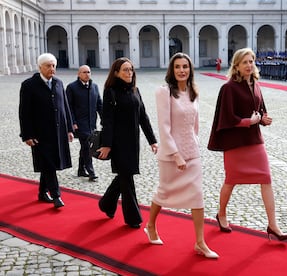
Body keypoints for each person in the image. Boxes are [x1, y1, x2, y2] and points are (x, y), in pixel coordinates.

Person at [207, 48, 287, 242]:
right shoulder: (228, 87)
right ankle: (221, 213)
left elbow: (259, 110)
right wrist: (248, 122)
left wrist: (263, 120)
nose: (249, 65)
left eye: (251, 61)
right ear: (236, 65)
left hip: (254, 140)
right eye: (244, 62)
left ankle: (273, 224)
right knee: (231, 180)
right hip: (235, 142)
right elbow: (226, 118)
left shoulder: (256, 84)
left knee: (266, 178)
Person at [144, 53, 219, 259]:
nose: (181, 70)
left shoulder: (194, 91)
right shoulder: (165, 92)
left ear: (190, 69)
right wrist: (176, 154)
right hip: (171, 154)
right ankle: (150, 225)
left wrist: (193, 144)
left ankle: (200, 242)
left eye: (185, 66)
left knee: (197, 194)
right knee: (164, 192)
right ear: (172, 69)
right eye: (177, 67)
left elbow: (195, 123)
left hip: (192, 152)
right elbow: (164, 127)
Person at [97, 57, 158, 229]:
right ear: (116, 73)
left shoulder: (135, 90)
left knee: (123, 177)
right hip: (117, 144)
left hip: (133, 143)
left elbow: (143, 117)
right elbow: (107, 120)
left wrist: (152, 140)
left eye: (131, 69)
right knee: (127, 178)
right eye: (125, 70)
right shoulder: (110, 91)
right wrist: (107, 144)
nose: (129, 72)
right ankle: (133, 218)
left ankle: (106, 204)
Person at [19, 53, 74, 209]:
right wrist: (27, 134)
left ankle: (42, 192)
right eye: (48, 66)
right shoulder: (29, 85)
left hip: (57, 132)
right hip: (40, 134)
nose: (52, 69)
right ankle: (56, 195)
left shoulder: (58, 83)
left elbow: (65, 108)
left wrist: (69, 128)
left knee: (48, 163)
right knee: (49, 164)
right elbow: (24, 112)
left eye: (54, 65)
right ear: (40, 67)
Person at [66, 65, 103, 181]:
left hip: (91, 123)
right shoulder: (72, 87)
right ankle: (91, 171)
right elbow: (68, 107)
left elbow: (99, 104)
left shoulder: (95, 87)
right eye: (84, 72)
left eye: (89, 72)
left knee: (84, 146)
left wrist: (104, 119)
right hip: (79, 124)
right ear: (78, 74)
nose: (87, 74)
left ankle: (81, 170)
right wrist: (72, 122)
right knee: (87, 146)